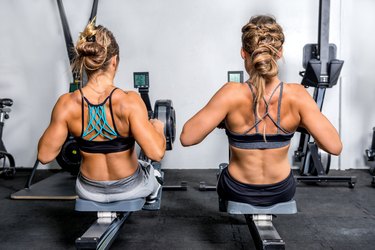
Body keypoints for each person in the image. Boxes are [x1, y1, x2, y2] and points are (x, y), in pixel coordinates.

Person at [180, 15, 342, 206]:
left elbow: (187, 137)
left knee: (224, 170)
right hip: (281, 191)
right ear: (279, 52)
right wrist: (298, 122)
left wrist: (224, 119)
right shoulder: (297, 95)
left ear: (243, 52)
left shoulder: (231, 93)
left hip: (237, 190)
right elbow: (334, 147)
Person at [38, 20, 166, 203]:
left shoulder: (66, 104)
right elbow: (156, 153)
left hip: (88, 190)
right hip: (130, 188)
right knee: (150, 168)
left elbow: (44, 156)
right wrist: (158, 127)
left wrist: (67, 119)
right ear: (114, 61)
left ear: (84, 62)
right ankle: (153, 192)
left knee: (143, 165)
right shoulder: (129, 102)